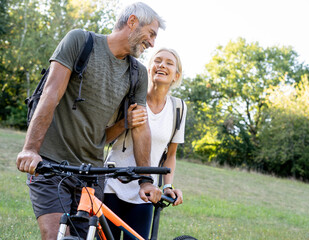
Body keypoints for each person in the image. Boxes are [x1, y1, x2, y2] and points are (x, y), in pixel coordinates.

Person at [15, 2, 165, 239]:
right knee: (56, 235)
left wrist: (146, 180)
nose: (152, 43)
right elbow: (50, 95)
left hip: (92, 172)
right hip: (50, 165)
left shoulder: (136, 73)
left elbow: (139, 126)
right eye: (151, 34)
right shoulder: (80, 42)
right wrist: (31, 150)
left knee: (85, 236)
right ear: (133, 22)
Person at [104, 48, 187, 239]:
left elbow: (171, 154)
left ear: (176, 75)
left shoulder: (178, 108)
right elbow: (103, 138)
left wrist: (167, 186)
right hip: (112, 186)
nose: (162, 65)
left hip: (147, 192)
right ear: (148, 69)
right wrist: (125, 122)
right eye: (157, 61)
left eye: (169, 63)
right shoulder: (129, 98)